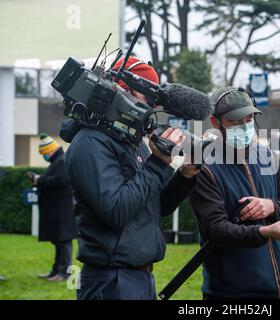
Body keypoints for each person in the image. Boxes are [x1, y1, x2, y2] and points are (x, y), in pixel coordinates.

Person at [61, 56, 199, 300]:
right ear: (123, 91)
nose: (150, 108)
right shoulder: (89, 143)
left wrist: (185, 176)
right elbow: (116, 210)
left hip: (140, 277)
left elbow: (158, 204)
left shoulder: (132, 142)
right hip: (111, 281)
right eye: (149, 99)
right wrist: (158, 163)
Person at [189, 86, 280, 300]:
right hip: (231, 294)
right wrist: (264, 232)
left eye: (249, 119)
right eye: (235, 122)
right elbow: (217, 231)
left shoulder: (269, 158)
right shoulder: (203, 168)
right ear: (216, 123)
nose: (244, 126)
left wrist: (272, 206)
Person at [31, 133, 77, 282]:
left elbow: (59, 180)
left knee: (63, 242)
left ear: (50, 150)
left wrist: (39, 180)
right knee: (59, 242)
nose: (45, 156)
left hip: (62, 211)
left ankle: (64, 273)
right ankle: (56, 271)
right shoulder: (58, 161)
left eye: (45, 153)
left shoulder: (61, 161)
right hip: (58, 210)